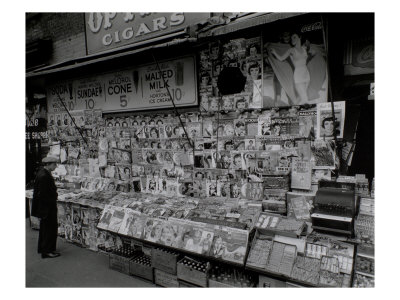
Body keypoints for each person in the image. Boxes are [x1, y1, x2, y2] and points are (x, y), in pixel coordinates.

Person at [270, 32, 315, 104]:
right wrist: (274, 52)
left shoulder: (304, 48)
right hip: (298, 75)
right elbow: (281, 58)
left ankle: (293, 107)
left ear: (300, 37)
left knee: (302, 97)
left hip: (306, 74)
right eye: (291, 38)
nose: (292, 39)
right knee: (304, 98)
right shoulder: (291, 50)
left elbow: (311, 54)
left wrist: (311, 53)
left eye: (294, 37)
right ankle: (291, 106)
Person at [31, 156, 60, 259]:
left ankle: (44, 248)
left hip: (45, 208)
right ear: (48, 164)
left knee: (45, 229)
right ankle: (47, 251)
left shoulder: (43, 173)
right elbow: (43, 195)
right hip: (47, 208)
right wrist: (53, 198)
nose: (55, 166)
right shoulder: (44, 176)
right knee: (49, 229)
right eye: (54, 164)